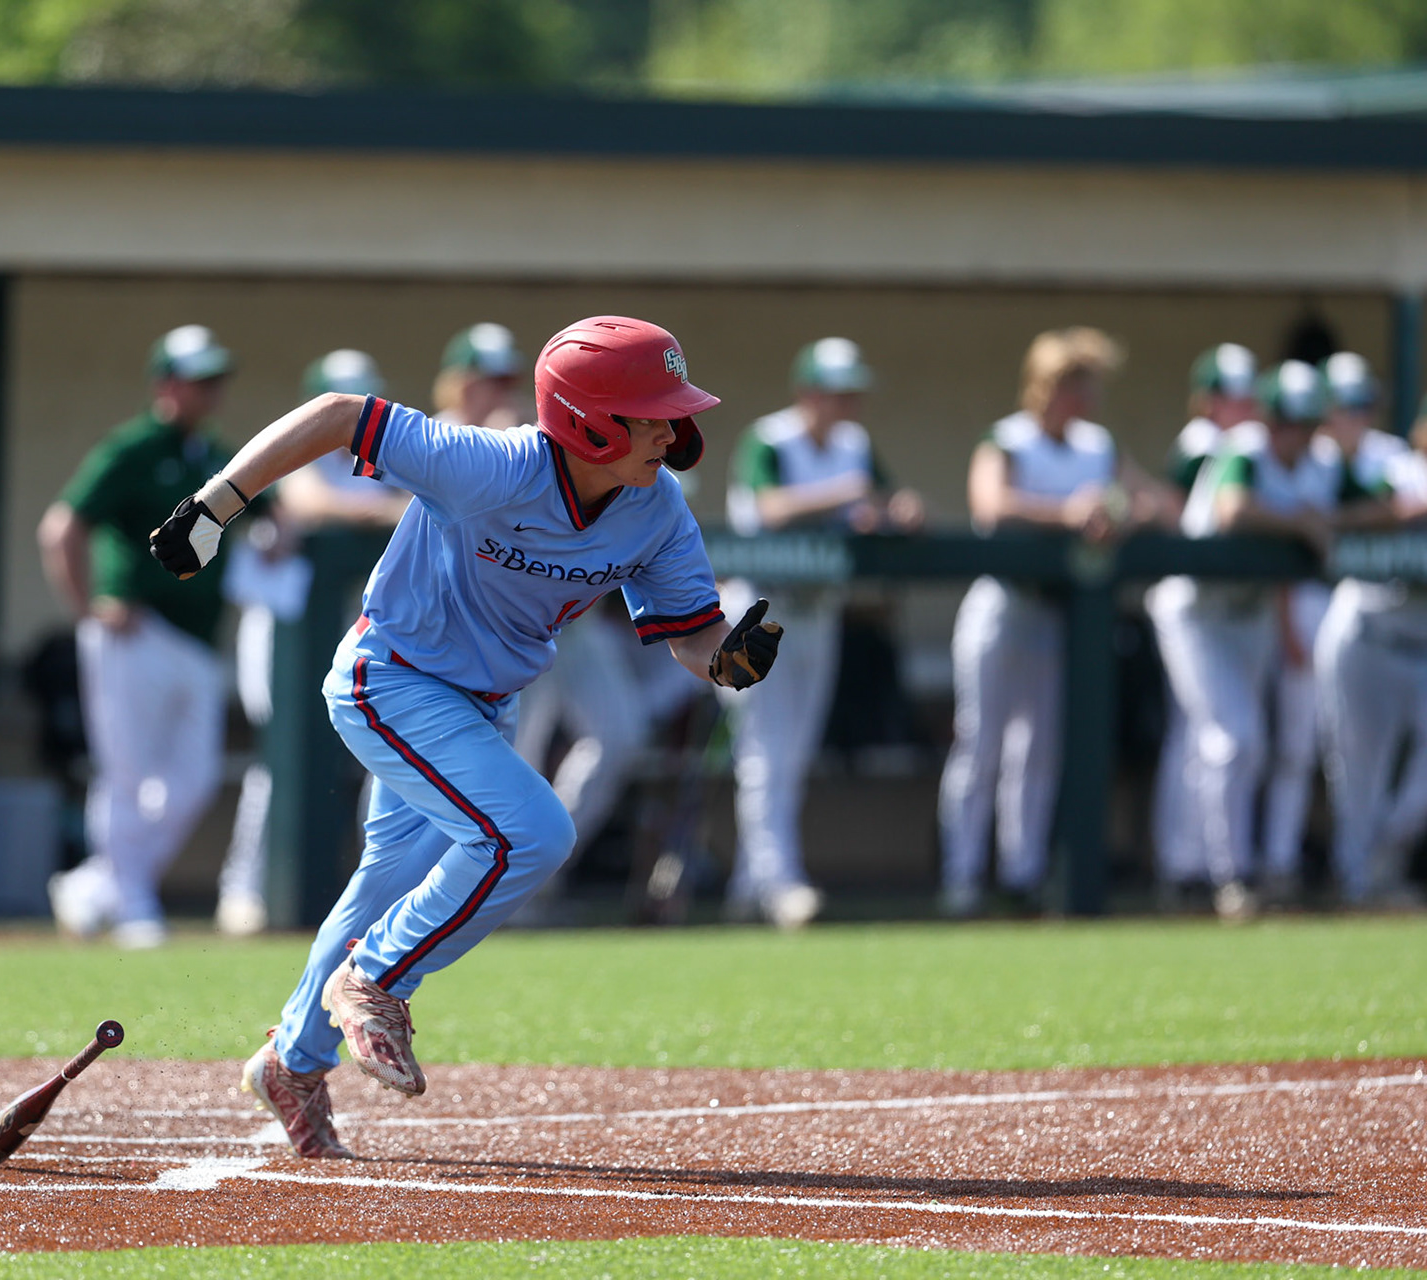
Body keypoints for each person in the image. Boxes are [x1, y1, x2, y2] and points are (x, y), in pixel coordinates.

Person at [148, 316, 781, 1158]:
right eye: (651, 411)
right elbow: (342, 414)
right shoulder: (497, 462)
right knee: (533, 831)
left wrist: (727, 660)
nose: (672, 428)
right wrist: (217, 503)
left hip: (485, 705)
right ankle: (378, 982)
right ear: (588, 419)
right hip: (393, 680)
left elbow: (690, 635)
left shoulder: (656, 507)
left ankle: (291, 1064)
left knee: (387, 888)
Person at [937, 327, 1172, 918]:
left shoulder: (1099, 446)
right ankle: (962, 878)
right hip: (1003, 608)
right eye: (1076, 385)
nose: (1086, 398)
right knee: (981, 744)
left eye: (1090, 385)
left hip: (1060, 617)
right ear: (1046, 386)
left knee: (1039, 751)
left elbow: (1162, 504)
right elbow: (991, 505)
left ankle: (1024, 876)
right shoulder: (1008, 439)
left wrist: (1123, 513)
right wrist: (1068, 514)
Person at [38, 325, 240, 949]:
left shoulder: (213, 454)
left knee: (197, 778)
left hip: (199, 641)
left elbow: (271, 504)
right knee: (125, 774)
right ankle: (132, 906)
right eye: (196, 380)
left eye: (214, 380)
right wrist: (86, 610)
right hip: (134, 631)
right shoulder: (133, 447)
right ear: (166, 385)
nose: (208, 392)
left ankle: (98, 886)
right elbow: (62, 527)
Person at [1150, 361, 1371, 921]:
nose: (1292, 434)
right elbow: (1232, 510)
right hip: (1197, 608)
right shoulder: (1243, 448)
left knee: (1238, 742)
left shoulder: (1323, 461)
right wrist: (1303, 523)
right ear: (1267, 419)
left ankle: (1205, 870)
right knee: (1232, 738)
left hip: (1252, 614)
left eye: (1304, 423)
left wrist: (1335, 519)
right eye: (1284, 422)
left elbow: (1383, 502)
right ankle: (1227, 877)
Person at [721, 338, 923, 929]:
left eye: (853, 394)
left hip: (818, 612)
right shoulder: (770, 438)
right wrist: (846, 497)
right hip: (757, 608)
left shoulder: (854, 445)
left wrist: (898, 509)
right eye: (837, 393)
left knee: (793, 754)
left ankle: (748, 886)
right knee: (764, 754)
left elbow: (883, 498)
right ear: (807, 393)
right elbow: (767, 510)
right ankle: (780, 884)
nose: (847, 405)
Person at [214, 349, 408, 936]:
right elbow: (309, 504)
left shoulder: (382, 462)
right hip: (280, 631)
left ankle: (358, 896)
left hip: (349, 629)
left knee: (364, 759)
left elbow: (418, 509)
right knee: (280, 756)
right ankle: (244, 889)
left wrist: (378, 509)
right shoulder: (297, 458)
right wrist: (374, 513)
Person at [1148, 344, 1256, 905]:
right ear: (1205, 401)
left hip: (1229, 610)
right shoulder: (1203, 443)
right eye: (1228, 398)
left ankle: (1186, 862)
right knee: (1207, 736)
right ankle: (1190, 863)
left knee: (1199, 737)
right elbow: (1177, 510)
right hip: (1191, 603)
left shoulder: (1243, 445)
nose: (1239, 408)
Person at [1315, 363, 1423, 907]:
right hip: (1367, 634)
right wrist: (1395, 513)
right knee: (1359, 774)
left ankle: (1379, 866)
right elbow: (1365, 505)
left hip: (1420, 650)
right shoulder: (1398, 465)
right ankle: (1359, 887)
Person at [432, 323, 526, 431]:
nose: (505, 393)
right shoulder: (438, 434)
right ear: (463, 385)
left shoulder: (521, 428)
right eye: (496, 381)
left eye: (509, 383)